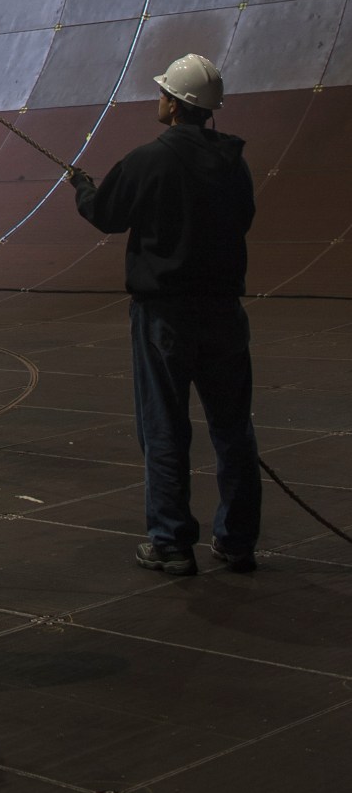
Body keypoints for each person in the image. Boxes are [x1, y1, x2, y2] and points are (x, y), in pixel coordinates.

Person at [70, 52, 261, 576]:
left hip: (165, 316)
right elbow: (242, 220)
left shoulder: (148, 160)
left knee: (165, 428)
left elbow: (106, 214)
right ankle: (238, 541)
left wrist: (83, 187)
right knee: (233, 430)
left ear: (174, 105)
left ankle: (172, 541)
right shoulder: (234, 163)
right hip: (225, 312)